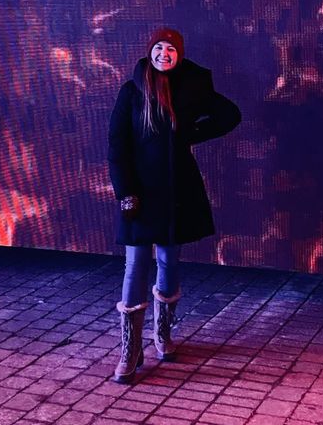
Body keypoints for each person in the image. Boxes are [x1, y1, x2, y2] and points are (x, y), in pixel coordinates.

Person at [107, 27, 241, 384]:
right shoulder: (132, 91)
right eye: (159, 48)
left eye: (171, 50)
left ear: (178, 55)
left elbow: (229, 115)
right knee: (135, 265)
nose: (163, 54)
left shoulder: (191, 87)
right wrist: (126, 193)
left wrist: (191, 134)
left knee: (169, 261)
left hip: (176, 191)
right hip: (139, 194)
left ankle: (163, 334)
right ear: (149, 51)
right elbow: (116, 148)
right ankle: (130, 348)